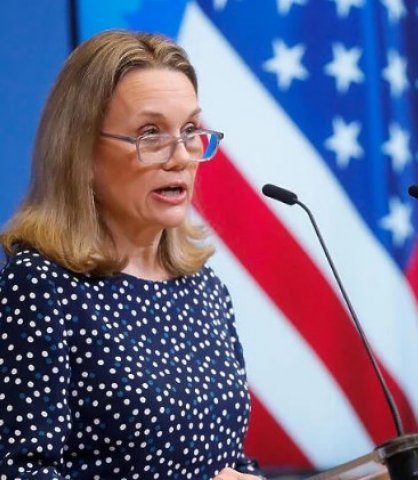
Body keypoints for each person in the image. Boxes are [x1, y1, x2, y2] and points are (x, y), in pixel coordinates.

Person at [0, 30, 262, 480]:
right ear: (81, 152)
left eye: (191, 131)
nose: (181, 157)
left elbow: (227, 461)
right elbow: (20, 472)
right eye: (150, 133)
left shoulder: (204, 289)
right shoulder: (40, 289)